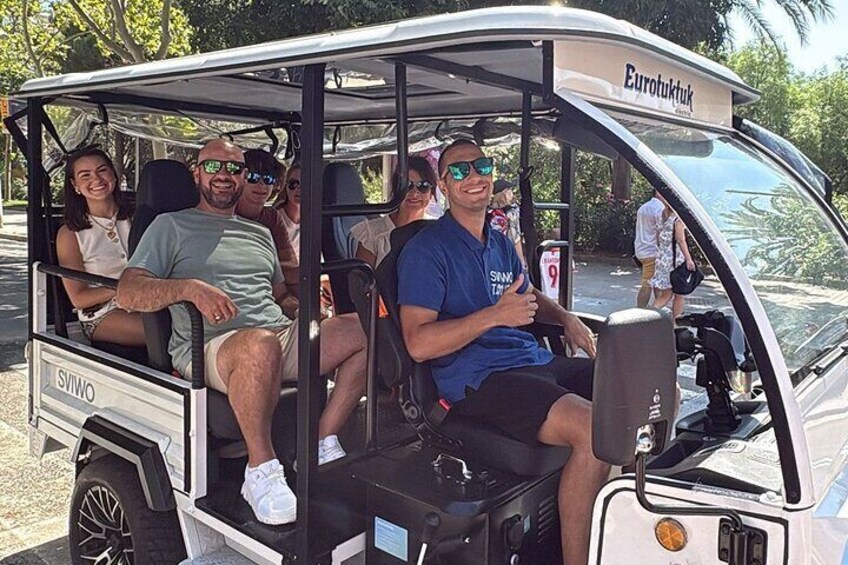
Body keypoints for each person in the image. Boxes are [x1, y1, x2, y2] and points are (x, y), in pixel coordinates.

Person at [117, 139, 366, 526]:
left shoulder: (259, 232)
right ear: (197, 173)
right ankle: (260, 471)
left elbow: (278, 295)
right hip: (208, 346)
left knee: (367, 328)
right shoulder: (170, 225)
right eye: (213, 166)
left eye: (234, 168)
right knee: (258, 344)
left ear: (243, 177)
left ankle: (321, 441)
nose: (224, 175)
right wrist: (189, 289)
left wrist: (308, 314)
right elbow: (128, 291)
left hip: (276, 334)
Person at [397, 139, 609, 565]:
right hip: (477, 379)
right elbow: (418, 344)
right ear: (444, 186)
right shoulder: (427, 250)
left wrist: (566, 318)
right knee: (593, 428)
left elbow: (528, 298)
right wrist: (494, 316)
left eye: (482, 165)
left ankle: (617, 530)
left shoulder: (498, 243)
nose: (474, 176)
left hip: (532, 361)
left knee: (637, 393)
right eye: (459, 171)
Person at [56, 147, 144, 347]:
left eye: (102, 170)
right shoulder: (70, 234)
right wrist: (123, 288)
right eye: (85, 175)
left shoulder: (138, 217)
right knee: (165, 333)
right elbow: (79, 298)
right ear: (75, 185)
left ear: (114, 174)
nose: (96, 179)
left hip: (149, 300)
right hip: (104, 313)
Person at [237, 149, 300, 319]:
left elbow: (288, 266)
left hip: (274, 297)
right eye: (253, 177)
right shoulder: (226, 215)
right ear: (240, 179)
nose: (261, 185)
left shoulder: (272, 217)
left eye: (268, 179)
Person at [351, 156, 437, 268]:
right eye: (407, 185)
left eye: (424, 186)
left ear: (431, 193)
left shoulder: (437, 232)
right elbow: (361, 277)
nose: (415, 193)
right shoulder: (371, 233)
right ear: (396, 190)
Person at [649, 201, 695, 319]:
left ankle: (650, 316)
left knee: (666, 294)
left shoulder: (663, 217)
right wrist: (689, 259)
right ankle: (650, 317)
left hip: (663, 259)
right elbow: (681, 240)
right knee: (677, 295)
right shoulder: (677, 221)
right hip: (675, 262)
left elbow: (659, 238)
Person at [633, 190, 665, 308]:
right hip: (652, 251)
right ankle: (639, 311)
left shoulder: (643, 207)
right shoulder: (659, 209)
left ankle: (659, 310)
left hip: (641, 249)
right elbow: (660, 232)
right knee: (648, 284)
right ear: (658, 192)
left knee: (656, 283)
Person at [487, 177, 526, 266]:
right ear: (504, 192)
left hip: (492, 254)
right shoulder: (511, 212)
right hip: (508, 253)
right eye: (510, 190)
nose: (512, 193)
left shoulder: (488, 212)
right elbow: (515, 237)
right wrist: (521, 261)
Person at [273, 163, 301, 262]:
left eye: (306, 184)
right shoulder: (274, 219)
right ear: (285, 186)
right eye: (293, 184)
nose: (299, 189)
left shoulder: (318, 220)